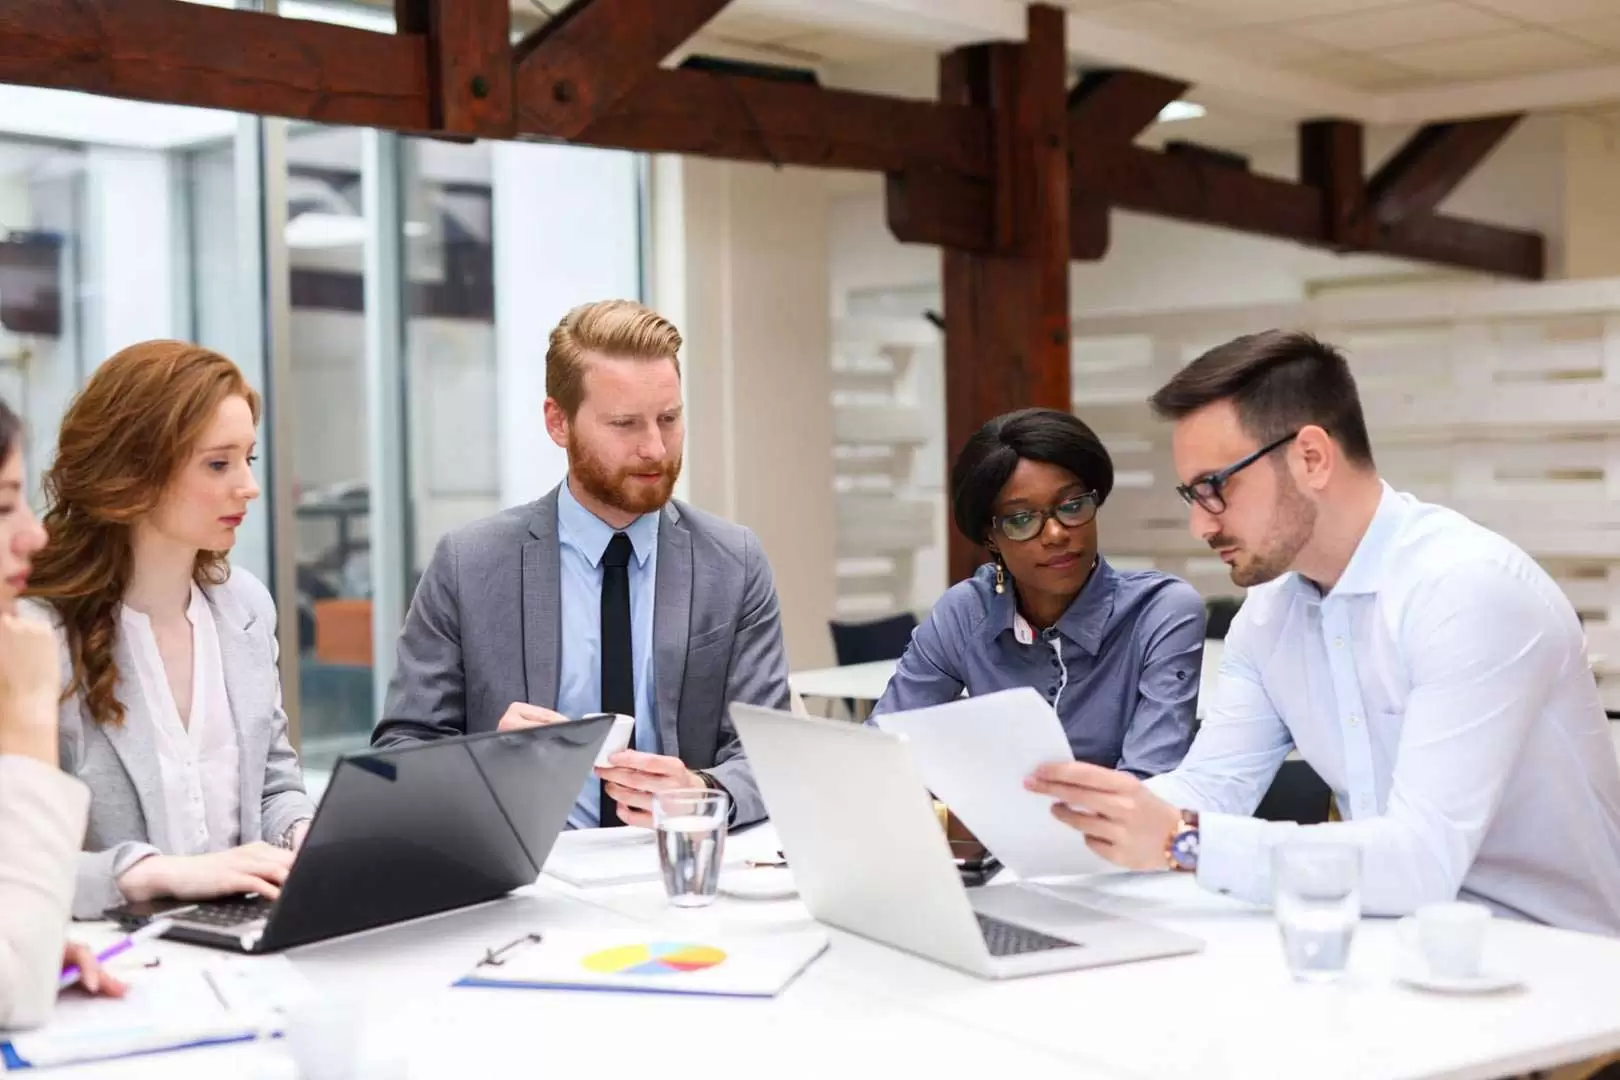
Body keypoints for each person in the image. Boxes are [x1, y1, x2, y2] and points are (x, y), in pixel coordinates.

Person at [1026, 330, 1620, 935]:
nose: (1199, 524)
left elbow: (1420, 862)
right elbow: (1213, 785)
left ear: (1311, 457)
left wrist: (1183, 842)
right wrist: (1078, 817)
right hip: (1385, 941)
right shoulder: (1269, 613)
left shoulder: (1467, 591)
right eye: (1191, 493)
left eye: (1214, 488)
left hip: (1553, 963)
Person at [374, 299, 789, 828]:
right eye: (625, 424)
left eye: (669, 418)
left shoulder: (735, 563)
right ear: (558, 422)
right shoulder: (469, 564)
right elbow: (398, 753)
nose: (655, 449)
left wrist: (702, 790)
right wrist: (488, 763)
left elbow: (770, 754)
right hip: (528, 881)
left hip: (679, 871)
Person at [23, 342, 316, 921]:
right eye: (218, 463)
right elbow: (21, 859)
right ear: (133, 472)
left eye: (248, 461)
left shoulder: (246, 608)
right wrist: (153, 874)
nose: (249, 487)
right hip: (112, 955)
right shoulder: (40, 637)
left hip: (246, 935)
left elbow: (275, 784)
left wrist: (302, 834)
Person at [871, 408, 1204, 777]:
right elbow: (882, 750)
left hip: (1125, 833)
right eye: (1021, 519)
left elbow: (1149, 781)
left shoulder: (1159, 612)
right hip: (993, 833)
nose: (1057, 534)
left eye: (1072, 506)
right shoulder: (966, 614)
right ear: (990, 538)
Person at [0, 398, 124, 1028]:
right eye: (1, 505)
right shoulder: (34, 650)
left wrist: (27, 941)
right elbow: (14, 992)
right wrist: (26, 718)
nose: (34, 533)